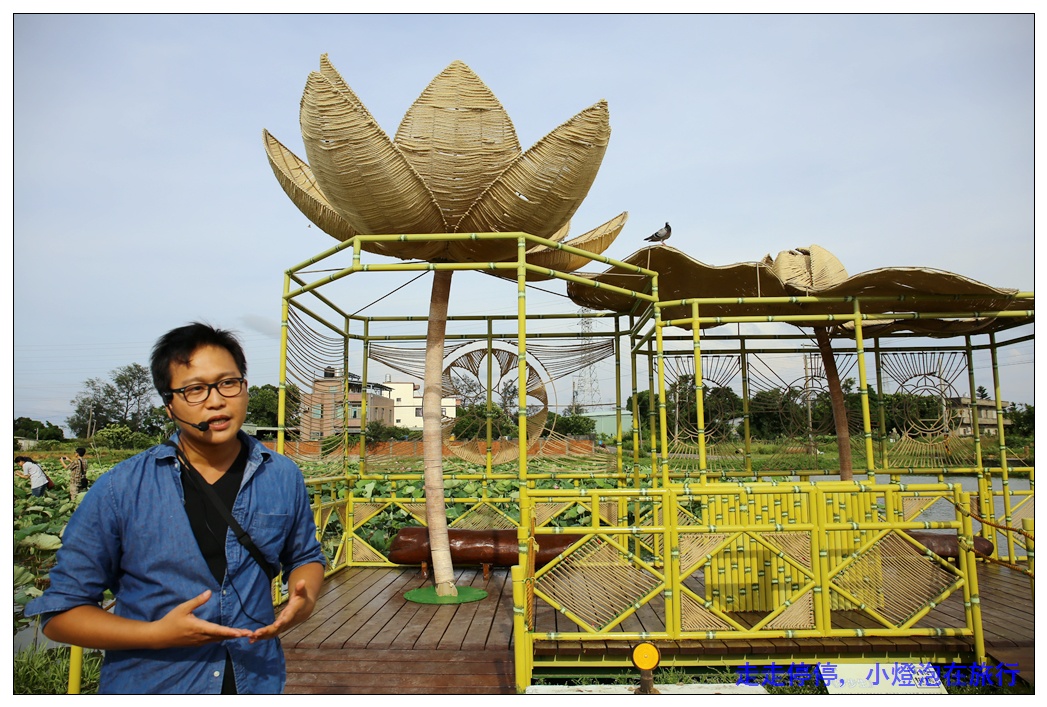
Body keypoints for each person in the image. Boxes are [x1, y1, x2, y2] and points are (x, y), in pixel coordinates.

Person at [26, 322, 326, 694]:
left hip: (258, 681)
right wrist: (155, 634)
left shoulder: (282, 475)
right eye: (195, 389)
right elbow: (60, 615)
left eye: (228, 383)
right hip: (154, 685)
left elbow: (305, 556)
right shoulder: (120, 490)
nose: (216, 400)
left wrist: (305, 597)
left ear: (245, 388)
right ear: (169, 405)